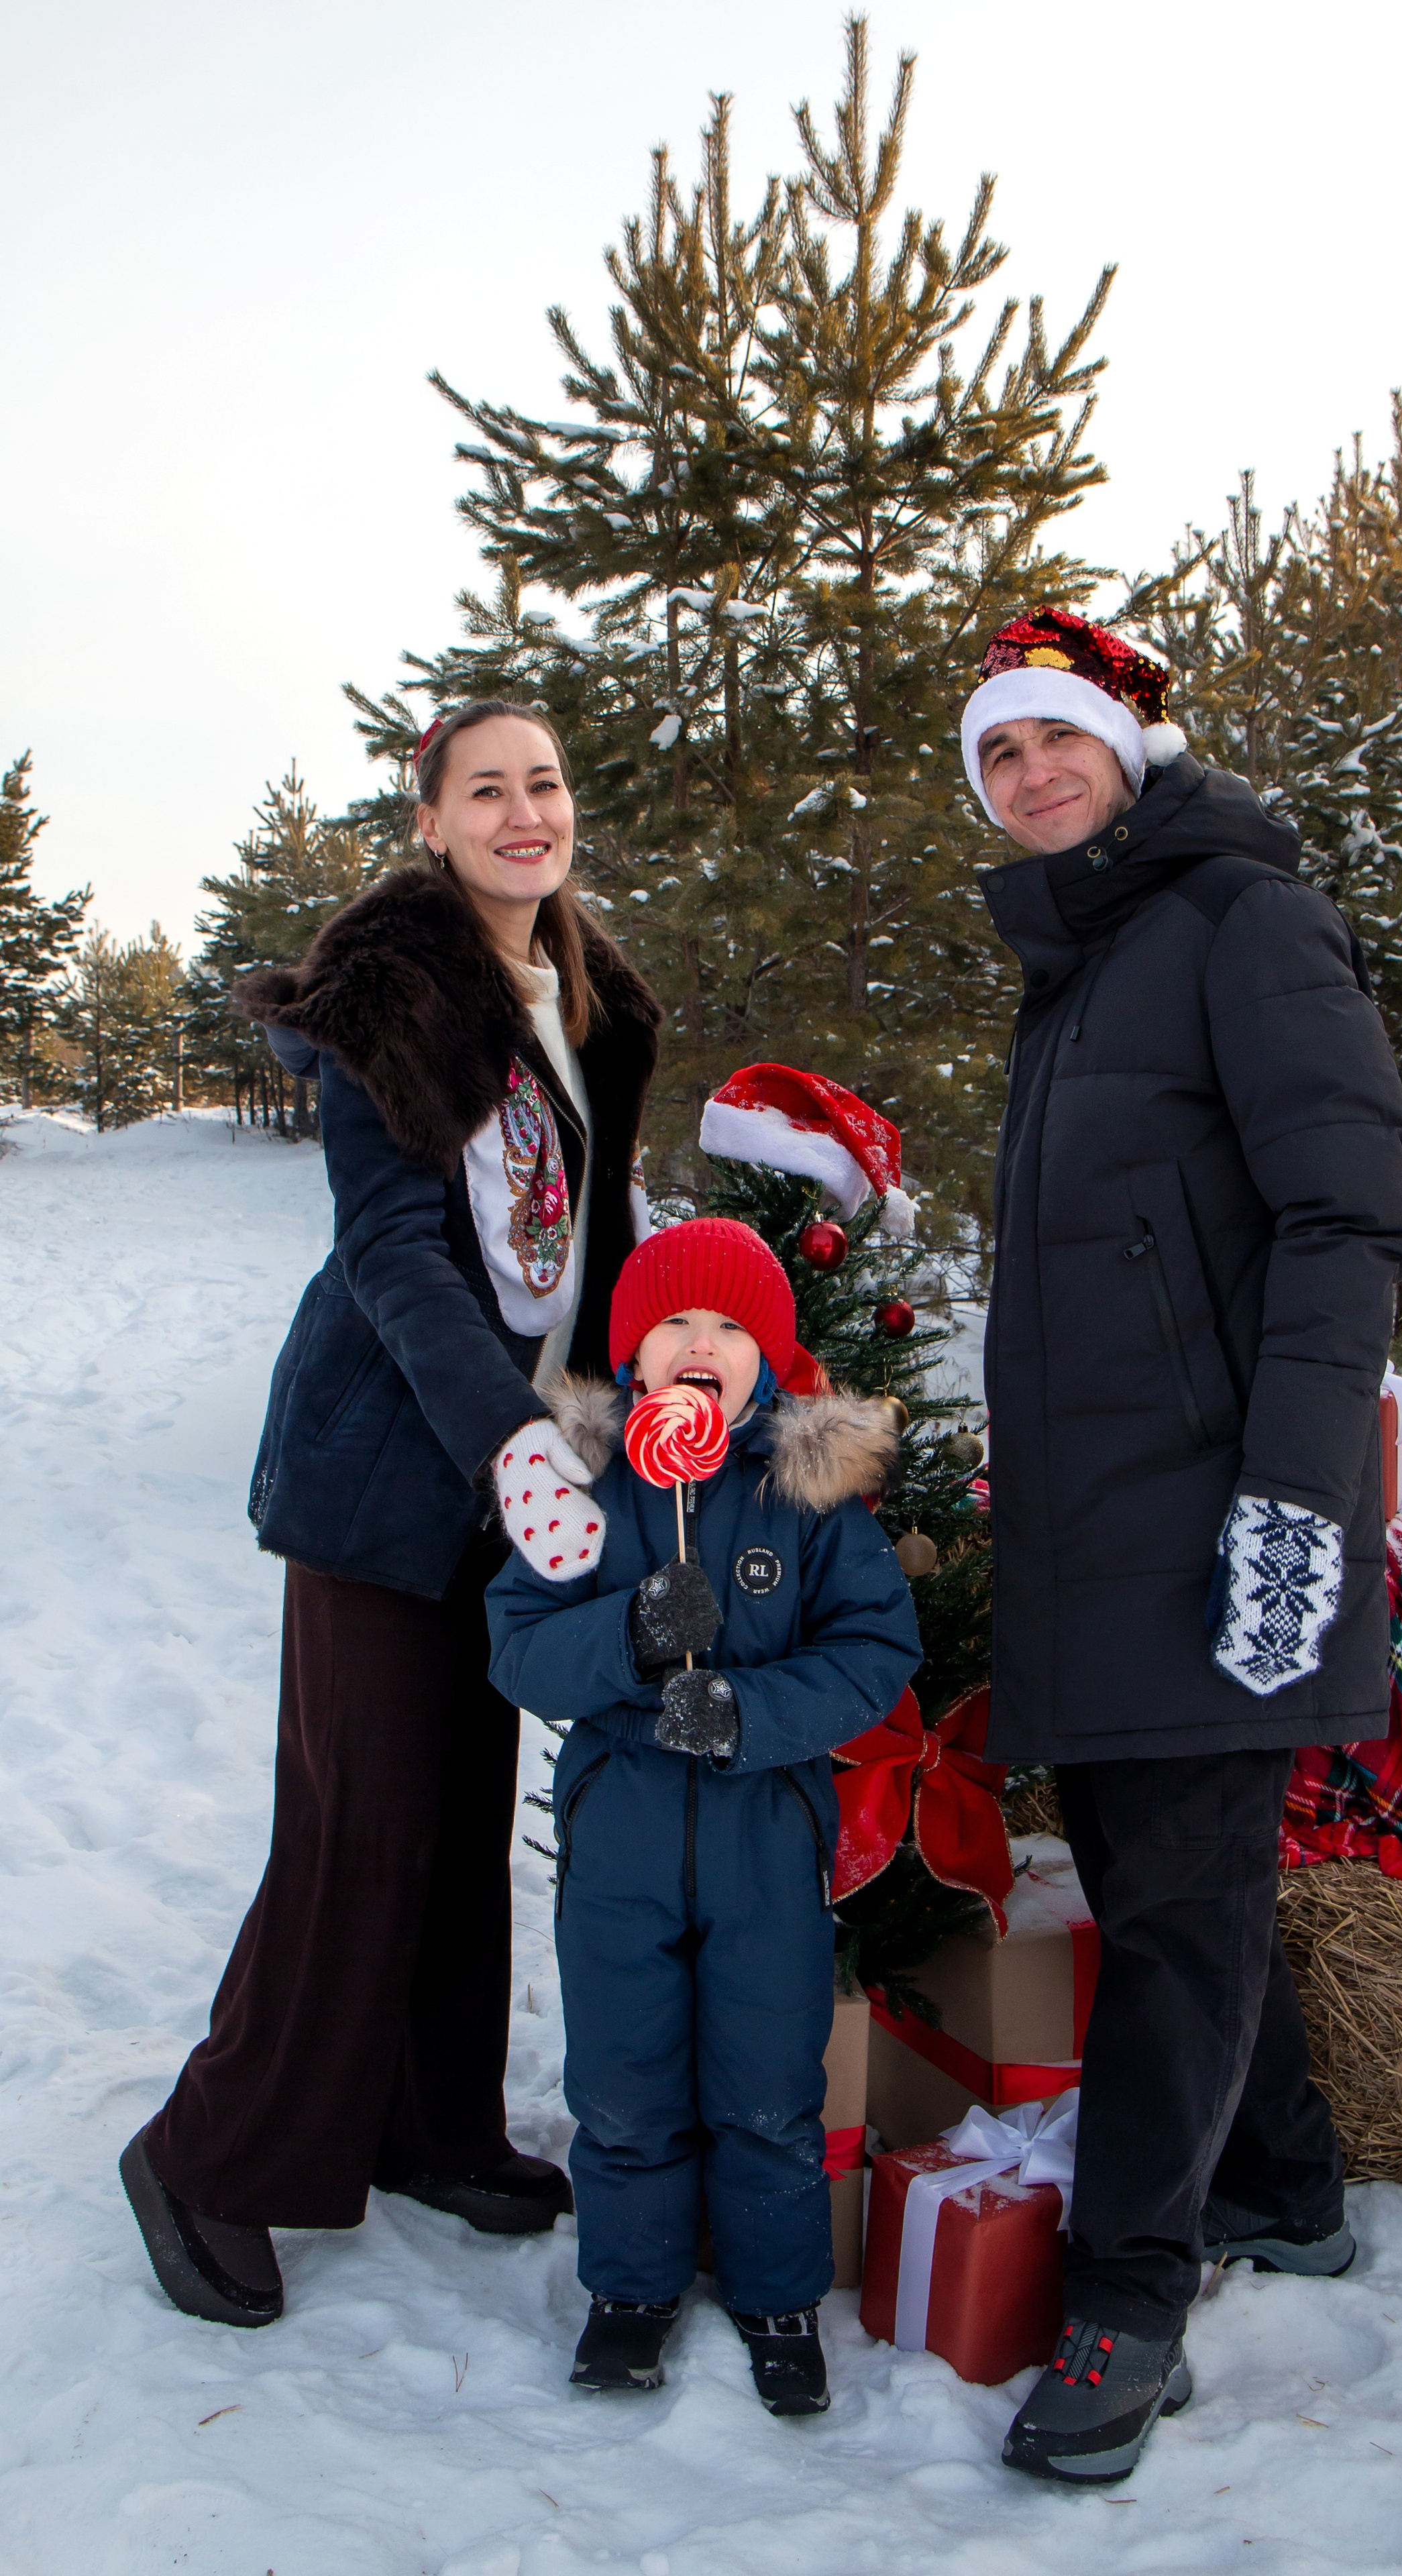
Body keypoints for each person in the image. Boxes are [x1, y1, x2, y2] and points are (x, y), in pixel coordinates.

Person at [122, 698, 661, 2328]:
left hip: (526, 1468)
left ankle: (434, 2125)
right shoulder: (392, 997)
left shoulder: (580, 996)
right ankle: (209, 2156)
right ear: (426, 820)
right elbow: (392, 1250)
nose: (523, 813)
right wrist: (502, 1437)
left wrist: (645, 1391)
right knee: (358, 1826)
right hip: (388, 1465)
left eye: (545, 784)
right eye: (484, 790)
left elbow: (594, 1236)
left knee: (455, 1807)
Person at [965, 608, 1402, 2484]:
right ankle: (1290, 2185)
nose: (1031, 776)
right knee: (1174, 1887)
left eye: (1056, 741)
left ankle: (1130, 2300)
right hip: (1100, 1519)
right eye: (999, 758)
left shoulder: (1242, 922)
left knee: (1175, 1914)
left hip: (1229, 1512)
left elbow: (1351, 1214)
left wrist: (1297, 1499)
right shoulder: (1081, 965)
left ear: (1130, 747)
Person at [485, 1218, 920, 2416]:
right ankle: (631, 2290)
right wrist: (625, 1639)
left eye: (730, 1326)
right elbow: (515, 1648)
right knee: (623, 2078)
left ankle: (782, 2296)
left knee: (769, 2077)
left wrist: (745, 1711)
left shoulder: (806, 1494)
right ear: (631, 1351)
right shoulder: (580, 1487)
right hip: (618, 1827)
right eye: (673, 1320)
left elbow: (879, 1648)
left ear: (768, 1360)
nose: (699, 1343)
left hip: (765, 1836)